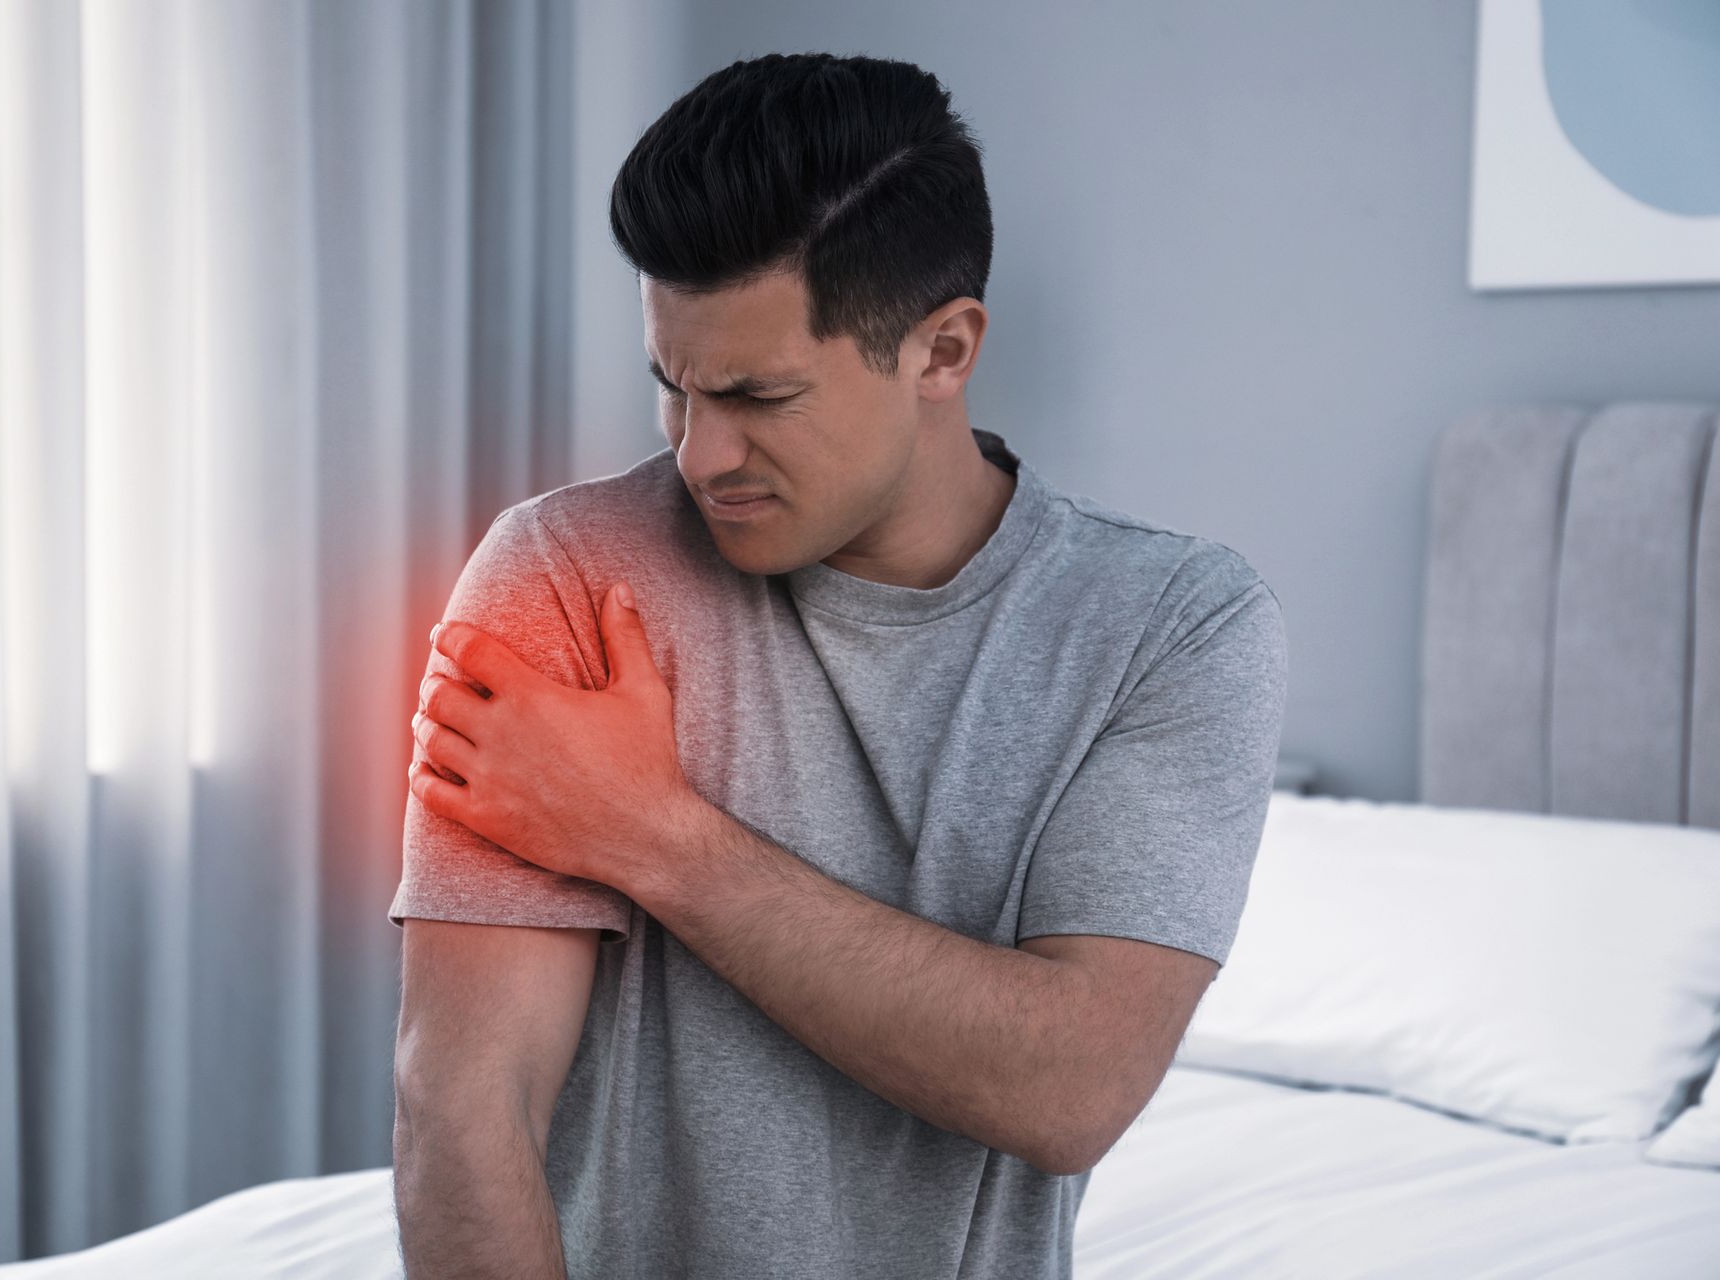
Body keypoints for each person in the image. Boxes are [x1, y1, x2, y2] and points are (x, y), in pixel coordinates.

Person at [389, 51, 1287, 1280]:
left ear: (943, 349)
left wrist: (652, 834)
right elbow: (461, 1098)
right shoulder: (565, 570)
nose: (703, 454)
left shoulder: (1173, 626)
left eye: (760, 394)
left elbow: (1070, 1085)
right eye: (674, 386)